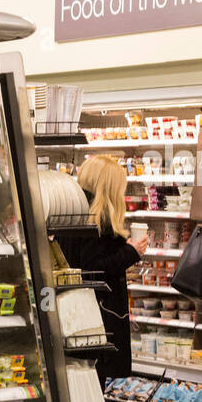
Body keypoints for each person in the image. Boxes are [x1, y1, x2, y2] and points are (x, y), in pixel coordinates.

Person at [62, 154, 149, 381]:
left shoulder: (71, 210)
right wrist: (131, 252)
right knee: (96, 378)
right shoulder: (97, 219)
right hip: (98, 314)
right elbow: (93, 269)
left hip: (75, 313)